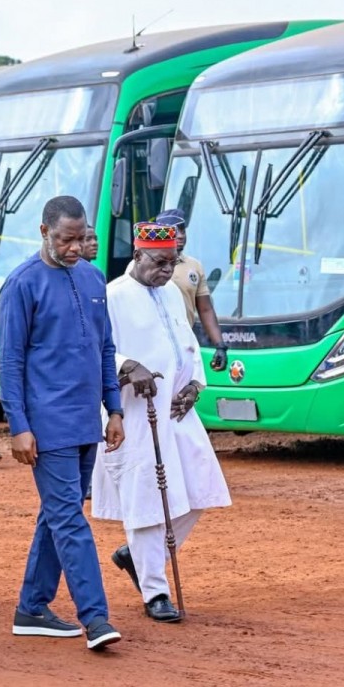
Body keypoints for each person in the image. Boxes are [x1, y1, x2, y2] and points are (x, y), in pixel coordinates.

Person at [0, 195, 125, 651]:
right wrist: (18, 425)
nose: (75, 248)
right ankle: (96, 617)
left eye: (80, 238)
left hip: (88, 420)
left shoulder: (92, 277)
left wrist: (115, 409)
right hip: (46, 425)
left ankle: (32, 607)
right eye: (65, 240)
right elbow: (9, 362)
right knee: (70, 517)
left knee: (56, 516)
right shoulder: (22, 284)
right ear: (44, 232)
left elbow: (106, 348)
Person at [96, 223, 231, 622]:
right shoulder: (113, 296)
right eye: (159, 262)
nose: (166, 271)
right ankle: (155, 591)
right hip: (135, 415)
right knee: (145, 502)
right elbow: (101, 351)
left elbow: (187, 343)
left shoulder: (172, 291)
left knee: (201, 489)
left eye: (171, 263)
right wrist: (128, 368)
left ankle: (135, 559)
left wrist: (195, 384)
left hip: (177, 410)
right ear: (137, 256)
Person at [153, 211, 230, 375]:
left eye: (183, 230)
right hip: (155, 347)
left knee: (185, 398)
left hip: (185, 346)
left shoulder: (194, 266)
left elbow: (205, 309)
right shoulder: (144, 265)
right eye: (175, 231)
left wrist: (220, 346)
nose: (180, 236)